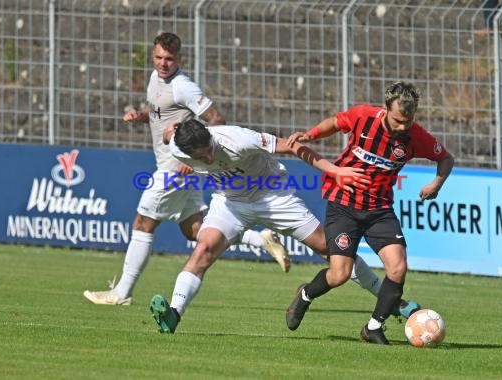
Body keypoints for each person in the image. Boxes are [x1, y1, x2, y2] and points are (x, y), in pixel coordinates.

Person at [148, 120, 419, 333]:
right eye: (200, 155)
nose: (208, 157)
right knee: (203, 249)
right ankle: (174, 314)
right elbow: (167, 135)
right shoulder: (178, 147)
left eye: (209, 149)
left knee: (331, 249)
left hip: (273, 196)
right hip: (230, 202)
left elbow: (293, 147)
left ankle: (391, 302)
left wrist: (335, 170)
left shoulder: (239, 139)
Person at [83, 32, 290, 306]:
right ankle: (260, 238)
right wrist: (141, 116)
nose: (163, 63)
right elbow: (160, 112)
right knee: (194, 229)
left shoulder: (183, 86)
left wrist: (195, 157)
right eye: (158, 57)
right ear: (152, 56)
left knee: (143, 223)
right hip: (174, 166)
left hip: (175, 168)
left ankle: (122, 292)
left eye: (169, 59)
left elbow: (216, 119)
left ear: (179, 58)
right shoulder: (156, 79)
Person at [284, 81, 455, 344]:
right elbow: (336, 122)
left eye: (407, 122)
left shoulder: (416, 136)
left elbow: (446, 158)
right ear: (386, 108)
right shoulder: (364, 117)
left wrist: (436, 184)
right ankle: (305, 295)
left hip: (379, 209)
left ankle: (373, 327)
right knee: (340, 274)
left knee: (398, 268)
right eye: (397, 120)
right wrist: (311, 134)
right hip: (344, 205)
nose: (402, 127)